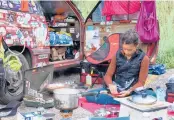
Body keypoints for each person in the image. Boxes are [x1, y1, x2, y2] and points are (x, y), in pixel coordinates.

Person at [86, 29, 156, 104]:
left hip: (132, 91)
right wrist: (111, 85)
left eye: (130, 50)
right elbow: (108, 75)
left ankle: (123, 100)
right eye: (124, 49)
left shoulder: (144, 58)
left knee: (152, 95)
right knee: (88, 95)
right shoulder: (117, 55)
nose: (126, 52)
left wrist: (129, 91)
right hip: (117, 89)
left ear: (136, 46)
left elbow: (141, 82)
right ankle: (125, 101)